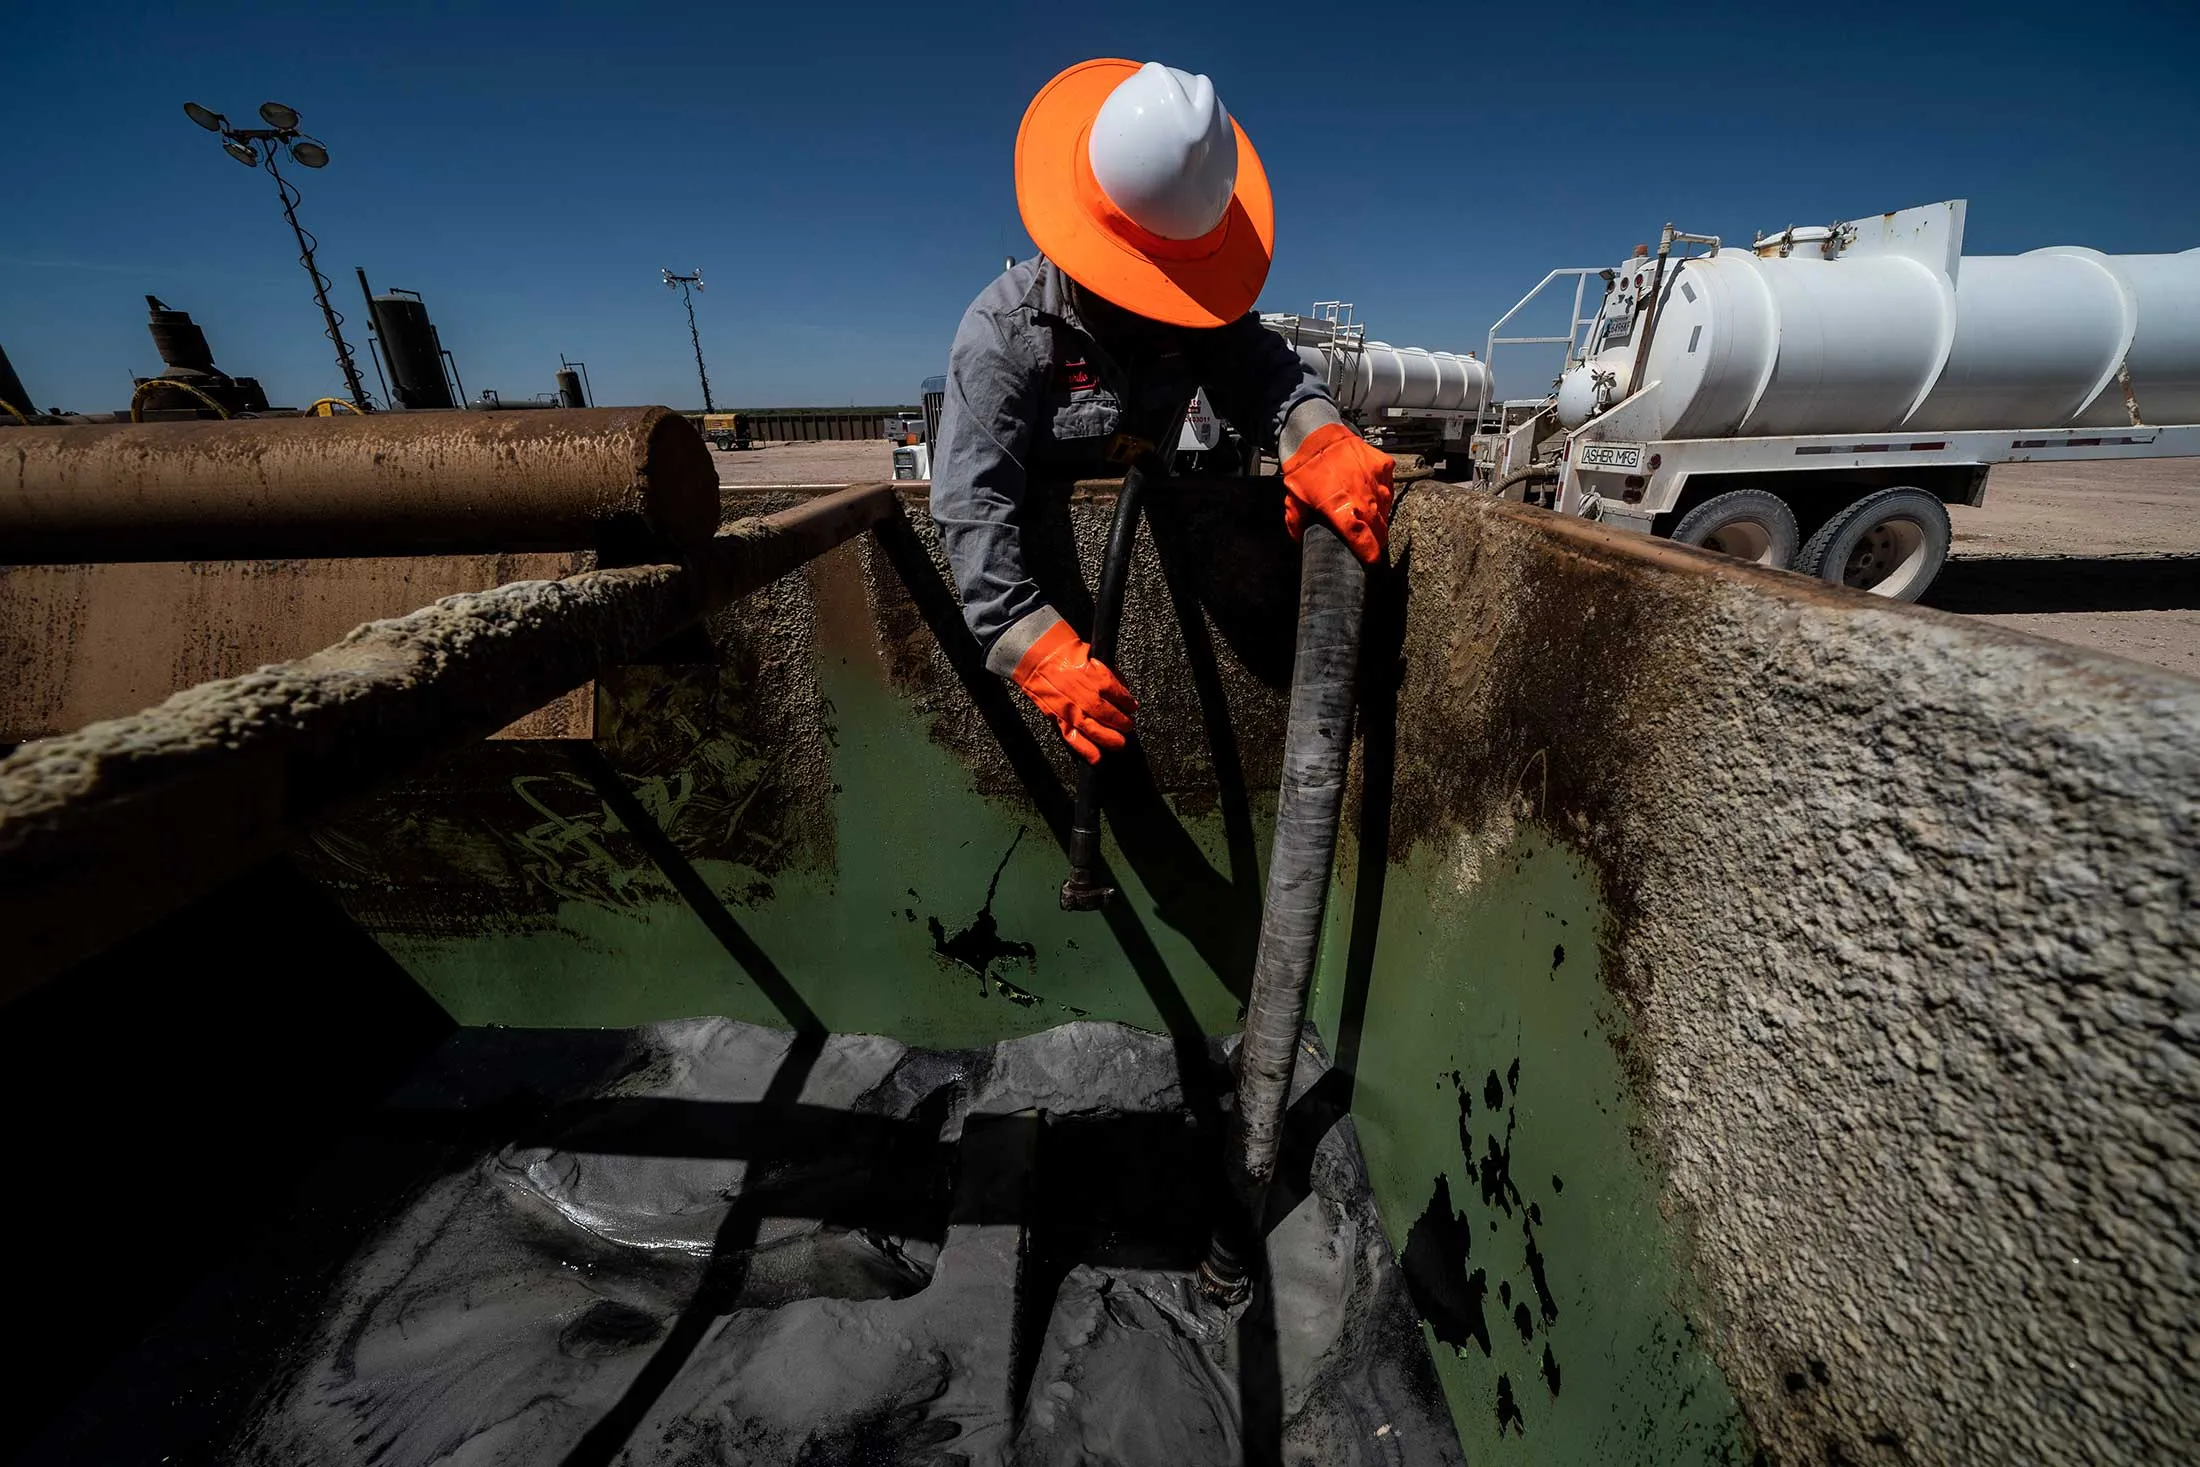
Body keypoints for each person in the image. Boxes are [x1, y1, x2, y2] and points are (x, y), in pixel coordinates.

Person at [930, 58, 1395, 764]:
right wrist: (1032, 644)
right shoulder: (1005, 335)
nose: (1160, 308)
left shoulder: (1192, 309)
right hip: (1060, 597)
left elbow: (1267, 372)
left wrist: (1320, 437)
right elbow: (972, 503)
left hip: (1150, 517)